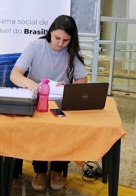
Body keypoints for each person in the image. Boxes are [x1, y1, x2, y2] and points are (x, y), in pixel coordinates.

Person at [10, 15, 87, 191]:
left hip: (60, 100)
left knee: (64, 128)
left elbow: (82, 81)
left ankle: (57, 170)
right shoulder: (36, 46)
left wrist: (69, 87)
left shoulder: (73, 52)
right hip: (37, 99)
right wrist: (30, 83)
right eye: (57, 38)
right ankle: (40, 170)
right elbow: (15, 74)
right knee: (40, 128)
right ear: (50, 32)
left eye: (65, 40)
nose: (60, 44)